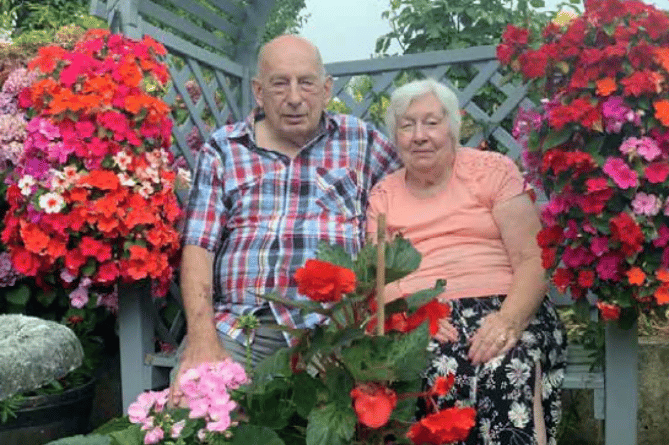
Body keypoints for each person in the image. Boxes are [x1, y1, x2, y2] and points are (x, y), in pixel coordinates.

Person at [169, 34, 401, 404]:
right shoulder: (224, 148)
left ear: (326, 90)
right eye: (280, 83)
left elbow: (422, 184)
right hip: (244, 327)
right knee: (193, 412)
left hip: (337, 330)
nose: (294, 97)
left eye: (306, 83)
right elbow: (199, 246)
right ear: (259, 92)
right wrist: (202, 341)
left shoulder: (362, 142)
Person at [366, 78, 567, 445]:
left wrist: (507, 320)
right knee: (435, 367)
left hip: (505, 304)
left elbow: (532, 255)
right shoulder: (384, 196)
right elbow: (380, 276)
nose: (419, 135)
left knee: (507, 364)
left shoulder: (492, 170)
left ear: (453, 127)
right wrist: (412, 312)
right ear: (395, 136)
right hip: (426, 316)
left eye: (431, 123)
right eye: (407, 125)